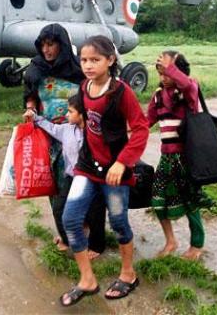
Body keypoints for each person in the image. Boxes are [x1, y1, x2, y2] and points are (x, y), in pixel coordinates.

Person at [60, 35, 149, 306]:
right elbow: (87, 120)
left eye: (95, 60)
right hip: (87, 167)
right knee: (70, 219)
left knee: (119, 223)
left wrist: (123, 162)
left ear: (110, 60)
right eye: (84, 60)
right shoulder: (84, 86)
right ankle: (87, 279)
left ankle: (128, 274)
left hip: (114, 171)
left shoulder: (121, 92)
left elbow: (141, 129)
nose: (88, 65)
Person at [23, 23, 106, 259]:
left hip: (78, 137)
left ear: (62, 45)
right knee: (56, 186)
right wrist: (31, 110)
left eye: (51, 45)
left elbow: (93, 97)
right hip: (50, 136)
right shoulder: (36, 68)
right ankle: (68, 231)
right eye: (43, 45)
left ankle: (88, 228)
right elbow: (30, 94)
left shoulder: (78, 69)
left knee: (85, 183)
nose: (46, 50)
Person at [147, 51, 211, 261]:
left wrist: (171, 68)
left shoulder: (188, 92)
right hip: (166, 159)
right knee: (157, 200)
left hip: (185, 159)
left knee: (190, 202)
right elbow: (146, 122)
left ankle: (197, 244)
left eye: (167, 72)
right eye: (160, 73)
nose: (164, 77)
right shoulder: (158, 96)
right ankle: (171, 241)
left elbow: (188, 85)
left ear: (179, 71)